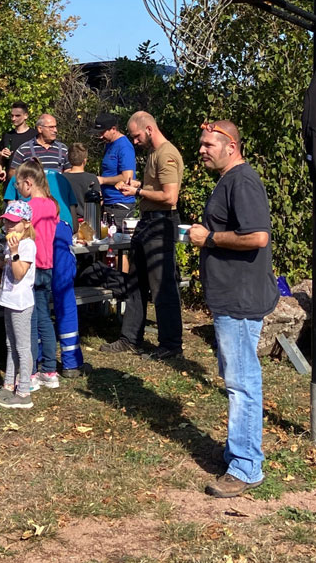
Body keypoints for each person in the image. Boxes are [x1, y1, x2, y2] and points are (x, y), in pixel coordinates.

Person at [186, 119, 278, 498]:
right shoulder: (229, 180)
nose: (203, 149)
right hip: (231, 296)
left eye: (209, 143)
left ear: (231, 146)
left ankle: (245, 466)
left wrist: (208, 238)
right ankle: (239, 452)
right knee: (237, 377)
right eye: (203, 143)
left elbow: (257, 236)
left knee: (242, 383)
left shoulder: (242, 181)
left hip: (241, 299)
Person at [105, 111, 183, 359]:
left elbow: (170, 197)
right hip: (147, 222)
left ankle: (171, 344)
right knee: (134, 281)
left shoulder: (167, 153)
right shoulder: (153, 153)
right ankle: (130, 338)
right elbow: (155, 188)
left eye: (137, 136)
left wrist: (137, 194)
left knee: (162, 286)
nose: (135, 141)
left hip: (161, 224)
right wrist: (136, 187)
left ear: (149, 129)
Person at [0, 198, 38, 409]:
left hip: (21, 302)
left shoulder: (27, 245)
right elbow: (7, 268)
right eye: (6, 222)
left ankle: (24, 392)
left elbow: (19, 273)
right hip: (8, 299)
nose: (9, 226)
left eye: (14, 222)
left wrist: (13, 253)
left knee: (23, 347)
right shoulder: (11, 243)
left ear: (27, 223)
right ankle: (8, 384)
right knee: (10, 344)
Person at [15, 158, 61, 388]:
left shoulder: (29, 208)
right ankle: (50, 371)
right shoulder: (52, 205)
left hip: (31, 268)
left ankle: (31, 373)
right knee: (44, 318)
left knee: (29, 322)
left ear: (28, 183)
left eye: (19, 186)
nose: (19, 192)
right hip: (48, 266)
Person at [95, 112, 137, 229]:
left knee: (117, 242)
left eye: (103, 132)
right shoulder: (109, 144)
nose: (100, 136)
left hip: (120, 204)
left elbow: (127, 177)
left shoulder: (124, 146)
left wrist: (103, 180)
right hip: (108, 203)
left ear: (113, 129)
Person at [63, 143, 100, 228]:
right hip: (89, 221)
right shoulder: (92, 178)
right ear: (85, 160)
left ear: (69, 159)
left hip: (69, 221)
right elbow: (99, 201)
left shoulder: (62, 178)